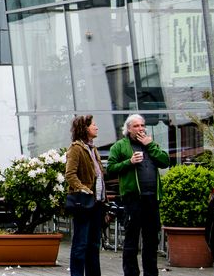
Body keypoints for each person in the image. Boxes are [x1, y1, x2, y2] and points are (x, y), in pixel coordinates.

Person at [107, 114, 171, 276]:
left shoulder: (151, 144)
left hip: (152, 198)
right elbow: (110, 169)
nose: (140, 129)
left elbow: (165, 161)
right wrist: (129, 162)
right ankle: (131, 273)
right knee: (132, 239)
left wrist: (150, 145)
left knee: (151, 240)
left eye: (142, 125)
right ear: (128, 129)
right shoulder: (120, 146)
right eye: (136, 126)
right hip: (133, 199)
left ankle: (151, 273)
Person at [66, 114, 106, 276]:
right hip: (84, 203)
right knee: (81, 243)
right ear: (84, 128)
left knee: (94, 244)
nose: (96, 127)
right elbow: (70, 174)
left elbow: (99, 175)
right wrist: (84, 189)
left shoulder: (93, 149)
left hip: (97, 202)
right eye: (93, 125)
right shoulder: (76, 148)